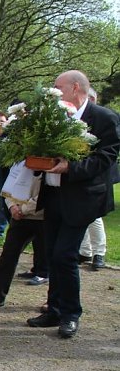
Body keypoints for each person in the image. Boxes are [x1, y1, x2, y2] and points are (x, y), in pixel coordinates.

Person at [26, 70, 120, 338]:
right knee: (52, 253)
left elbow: (106, 159)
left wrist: (71, 167)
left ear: (75, 88)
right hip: (53, 195)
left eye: (58, 87)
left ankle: (70, 314)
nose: (53, 92)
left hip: (82, 199)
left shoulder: (103, 117)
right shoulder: (55, 117)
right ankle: (54, 309)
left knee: (64, 255)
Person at [0, 162, 47, 306]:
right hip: (20, 215)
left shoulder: (51, 162)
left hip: (44, 216)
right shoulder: (20, 162)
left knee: (52, 258)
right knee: (9, 253)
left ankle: (54, 301)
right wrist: (12, 206)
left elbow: (48, 194)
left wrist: (23, 209)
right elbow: (9, 187)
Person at [79, 87, 110, 272]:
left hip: (96, 177)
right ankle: (85, 251)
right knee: (79, 213)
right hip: (79, 175)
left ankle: (99, 252)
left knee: (94, 216)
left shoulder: (102, 119)